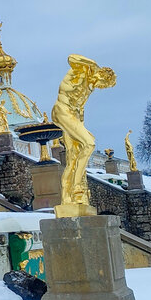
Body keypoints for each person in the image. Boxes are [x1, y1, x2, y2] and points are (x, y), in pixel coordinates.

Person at [52, 54, 116, 213]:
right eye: (102, 83)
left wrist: (80, 121)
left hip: (73, 115)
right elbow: (71, 58)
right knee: (89, 144)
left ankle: (67, 197)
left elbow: (80, 106)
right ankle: (77, 187)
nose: (100, 86)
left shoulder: (90, 85)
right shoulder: (82, 69)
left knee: (72, 158)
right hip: (62, 110)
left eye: (103, 86)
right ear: (101, 73)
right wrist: (93, 64)